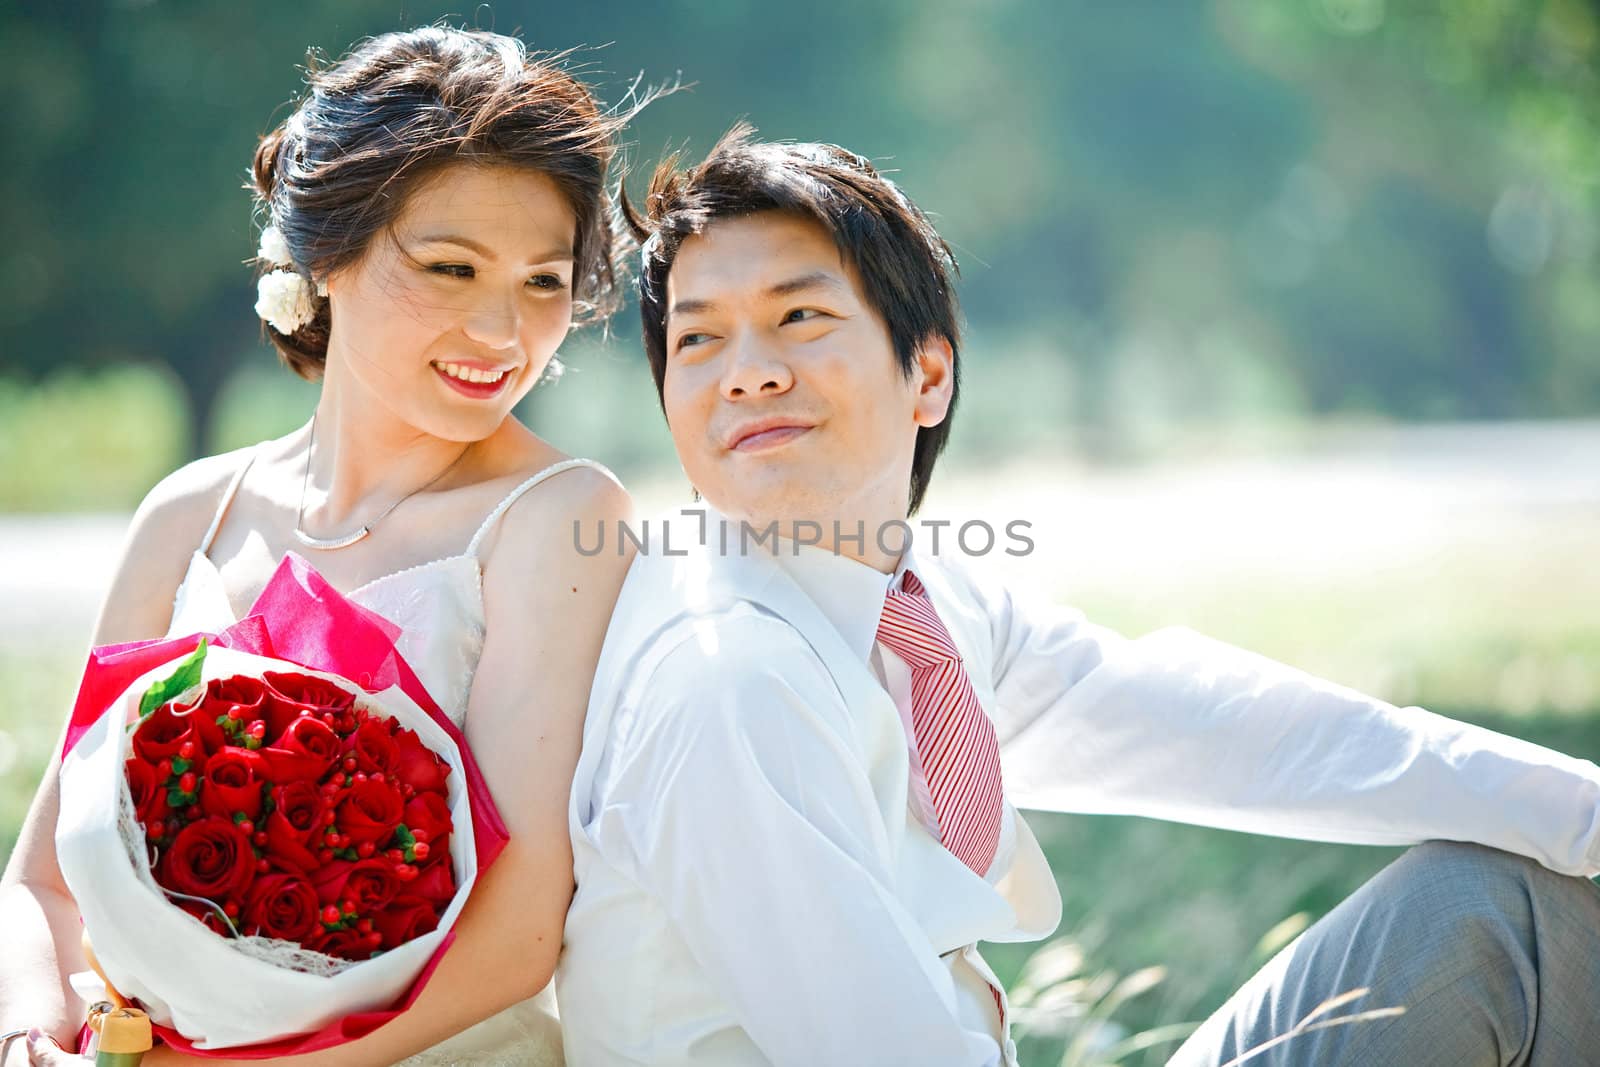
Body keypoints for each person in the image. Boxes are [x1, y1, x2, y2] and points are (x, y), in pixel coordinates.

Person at [554, 126, 1600, 1065]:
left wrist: (1582, 809)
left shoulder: (918, 601)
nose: (746, 372)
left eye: (798, 316)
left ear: (929, 376)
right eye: (697, 338)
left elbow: (1239, 732)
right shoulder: (728, 682)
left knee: (1509, 894)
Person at [2, 26, 642, 1067]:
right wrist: (37, 1032)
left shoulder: (563, 516)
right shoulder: (189, 513)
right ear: (326, 252)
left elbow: (520, 933)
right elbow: (41, 881)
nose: (502, 330)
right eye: (451, 267)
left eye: (543, 282)